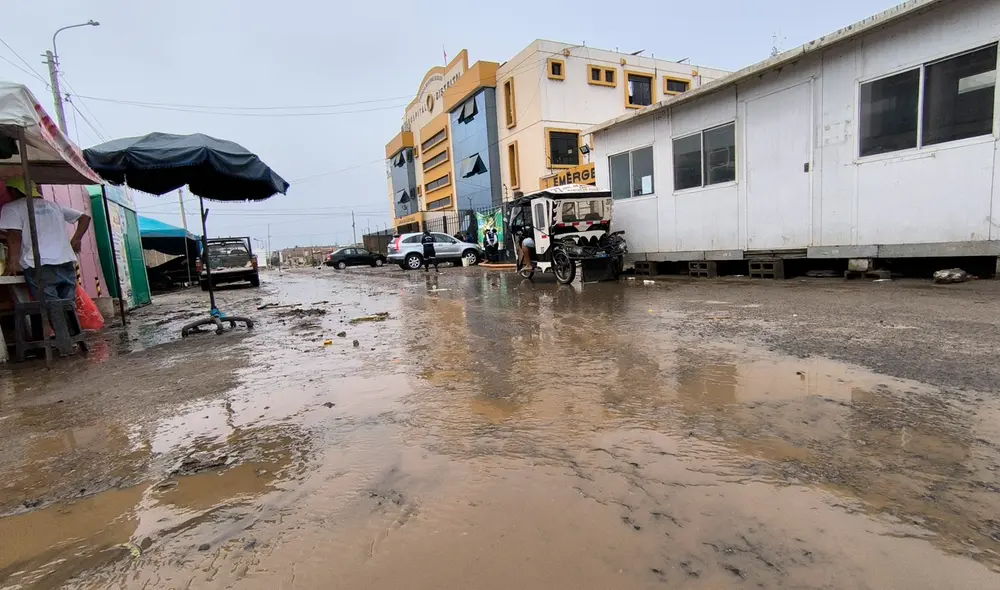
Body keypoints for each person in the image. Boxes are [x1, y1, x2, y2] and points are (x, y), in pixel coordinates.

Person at [0, 177, 91, 301]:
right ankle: (67, 321)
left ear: (14, 190)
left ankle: (57, 321)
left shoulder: (12, 207)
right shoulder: (54, 206)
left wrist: (12, 263)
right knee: (68, 307)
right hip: (65, 262)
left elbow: (14, 236)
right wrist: (76, 239)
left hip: (39, 264)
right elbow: (85, 218)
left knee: (50, 308)